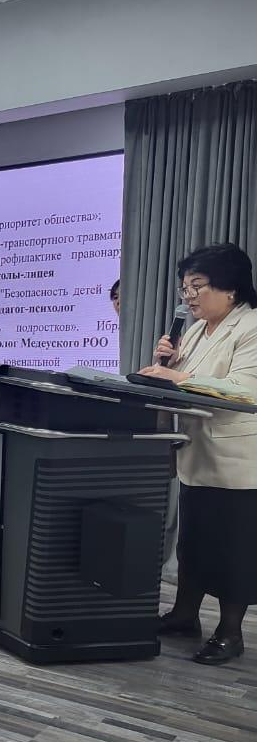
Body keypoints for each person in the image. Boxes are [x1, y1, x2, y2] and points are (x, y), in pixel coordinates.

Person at [140, 243, 257, 664]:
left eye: (197, 286)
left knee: (232, 551)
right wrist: (166, 365)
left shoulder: (251, 326)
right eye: (185, 287)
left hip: (236, 460)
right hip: (196, 453)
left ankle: (230, 633)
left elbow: (245, 391)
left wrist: (179, 375)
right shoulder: (194, 330)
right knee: (195, 542)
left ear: (230, 288)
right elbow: (184, 384)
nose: (188, 296)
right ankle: (185, 615)